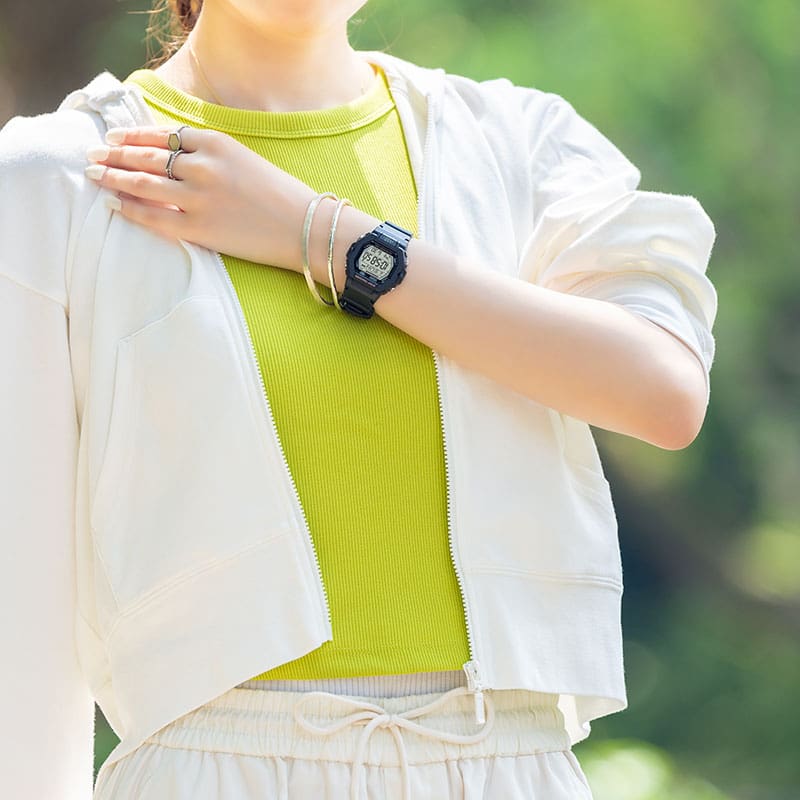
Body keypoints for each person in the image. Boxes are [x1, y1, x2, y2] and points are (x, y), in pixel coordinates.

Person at [0, 0, 717, 798]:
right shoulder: (59, 181)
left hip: (508, 767)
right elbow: (18, 616)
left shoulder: (517, 145)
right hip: (217, 773)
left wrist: (319, 233)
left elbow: (664, 391)